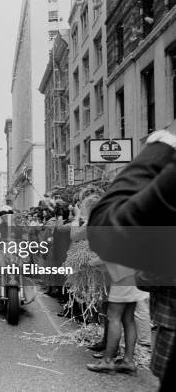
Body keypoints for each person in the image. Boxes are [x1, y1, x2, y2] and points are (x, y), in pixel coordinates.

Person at [87, 125, 176, 390]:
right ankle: (126, 359)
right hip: (133, 281)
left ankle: (109, 360)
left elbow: (106, 233)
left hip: (125, 280)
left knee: (115, 317)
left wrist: (160, 148)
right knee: (125, 319)